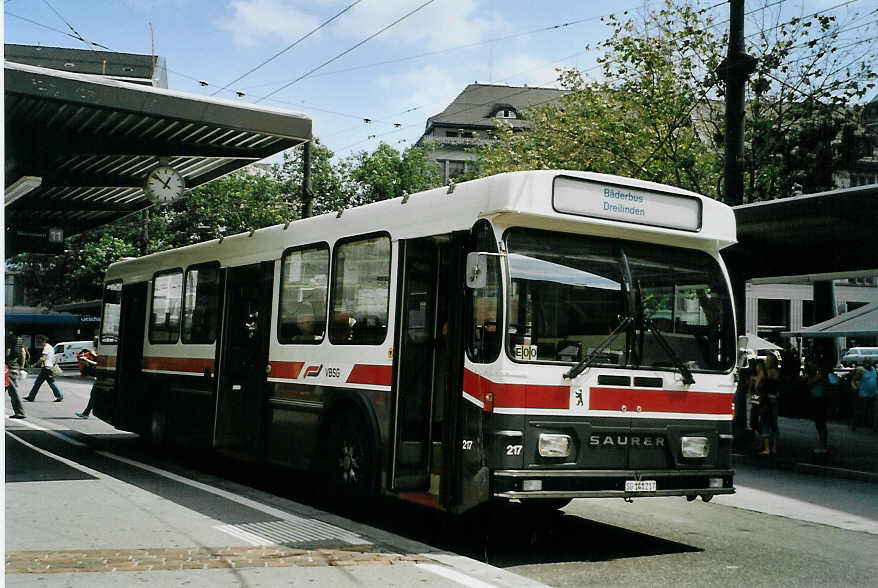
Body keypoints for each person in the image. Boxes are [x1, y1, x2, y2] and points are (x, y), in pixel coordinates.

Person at [24, 335, 63, 402]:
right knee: (40, 383)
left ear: (44, 341)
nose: (40, 344)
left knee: (49, 383)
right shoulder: (50, 347)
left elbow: (43, 358)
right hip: (48, 367)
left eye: (40, 342)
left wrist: (34, 365)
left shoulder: (46, 348)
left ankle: (59, 396)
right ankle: (31, 397)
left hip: (46, 368)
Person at [759, 353, 781, 456]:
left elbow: (757, 385)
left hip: (766, 399)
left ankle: (767, 448)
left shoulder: (764, 372)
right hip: (775, 399)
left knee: (765, 423)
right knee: (774, 423)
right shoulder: (777, 372)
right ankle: (774, 448)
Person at [806, 363, 828, 453]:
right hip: (816, 399)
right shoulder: (817, 376)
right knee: (819, 423)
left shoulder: (819, 376)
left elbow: (809, 383)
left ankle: (823, 445)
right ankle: (822, 444)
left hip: (819, 400)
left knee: (820, 423)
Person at [851, 356, 877, 431]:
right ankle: (854, 425)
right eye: (866, 362)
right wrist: (855, 388)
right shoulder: (861, 370)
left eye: (869, 362)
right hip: (863, 394)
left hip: (873, 394)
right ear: (863, 363)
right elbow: (853, 380)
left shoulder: (874, 370)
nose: (868, 364)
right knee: (860, 411)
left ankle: (872, 427)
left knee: (872, 411)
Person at [5, 331, 27, 418]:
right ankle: (19, 412)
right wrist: (21, 366)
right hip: (14, 367)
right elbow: (23, 353)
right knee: (13, 391)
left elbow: (7, 352)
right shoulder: (19, 340)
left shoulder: (8, 339)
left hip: (7, 367)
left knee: (13, 391)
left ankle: (20, 412)